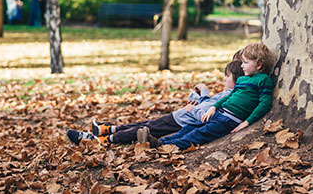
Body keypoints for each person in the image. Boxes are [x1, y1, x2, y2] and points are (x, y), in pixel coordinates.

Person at [66, 59, 244, 145]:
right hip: (181, 116)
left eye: (227, 76)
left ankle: (99, 140)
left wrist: (202, 96)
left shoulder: (230, 95)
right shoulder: (229, 92)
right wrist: (197, 100)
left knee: (144, 129)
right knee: (145, 123)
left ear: (236, 79)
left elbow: (204, 113)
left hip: (182, 120)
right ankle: (107, 129)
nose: (224, 79)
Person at [138, 42, 275, 150]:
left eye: (245, 63)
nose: (242, 66)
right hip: (219, 113)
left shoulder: (263, 80)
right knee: (190, 128)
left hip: (229, 120)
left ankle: (166, 147)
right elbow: (228, 97)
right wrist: (213, 108)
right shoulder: (242, 80)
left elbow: (264, 104)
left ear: (259, 64)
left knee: (199, 134)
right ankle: (158, 142)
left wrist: (247, 122)